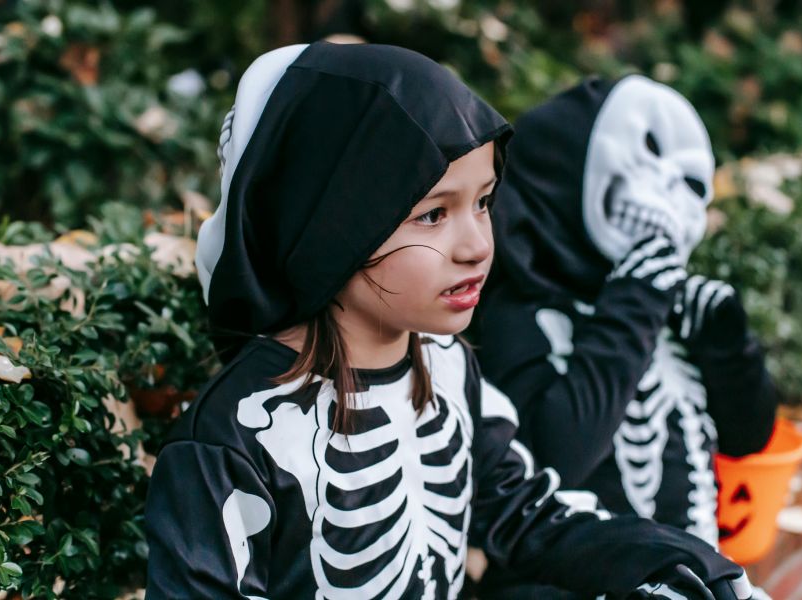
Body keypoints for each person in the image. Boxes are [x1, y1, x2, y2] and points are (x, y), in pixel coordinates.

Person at [144, 43, 752, 599]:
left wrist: (682, 567)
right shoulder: (229, 442)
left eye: (483, 202)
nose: (477, 246)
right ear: (330, 222)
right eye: (433, 215)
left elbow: (526, 514)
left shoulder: (444, 367)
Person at [473, 76, 777, 598]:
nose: (669, 192)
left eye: (690, 182)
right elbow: (555, 459)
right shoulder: (519, 309)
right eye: (651, 153)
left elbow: (748, 436)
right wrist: (634, 302)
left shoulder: (664, 304)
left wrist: (729, 346)